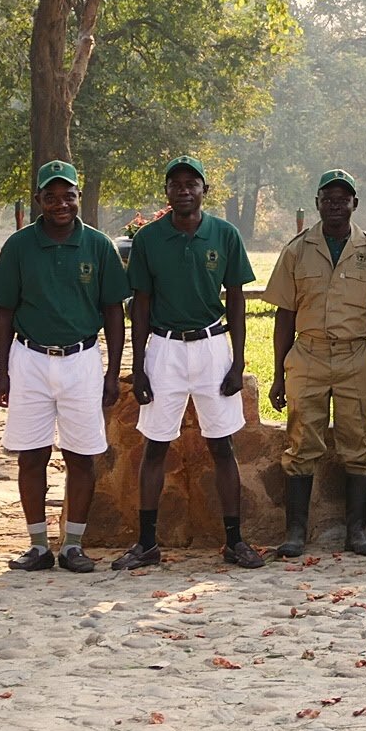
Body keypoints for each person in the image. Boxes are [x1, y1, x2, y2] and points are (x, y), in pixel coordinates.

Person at [112, 157, 261, 570]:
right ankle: (146, 543)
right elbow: (139, 305)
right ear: (167, 192)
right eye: (175, 184)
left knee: (222, 444)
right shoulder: (148, 239)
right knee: (155, 445)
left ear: (203, 190)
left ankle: (234, 541)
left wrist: (237, 361)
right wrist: (139, 365)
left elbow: (235, 298)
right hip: (165, 348)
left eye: (191, 183)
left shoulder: (224, 234)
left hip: (212, 345)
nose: (183, 189)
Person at [0, 159, 130, 573]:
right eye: (51, 196)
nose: (60, 203)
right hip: (30, 358)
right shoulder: (19, 246)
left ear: (78, 198)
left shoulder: (98, 245)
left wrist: (111, 371)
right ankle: (36, 545)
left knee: (81, 455)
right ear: (38, 200)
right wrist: (3, 371)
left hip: (81, 359)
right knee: (31, 455)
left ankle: (72, 545)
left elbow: (113, 311)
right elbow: (5, 311)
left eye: (68, 195)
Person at [262, 169, 366, 558]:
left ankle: (358, 531)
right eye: (328, 199)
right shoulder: (297, 250)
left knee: (359, 444)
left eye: (343, 199)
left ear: (355, 204)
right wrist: (279, 373)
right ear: (318, 203)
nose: (336, 205)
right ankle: (296, 532)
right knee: (301, 443)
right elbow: (284, 315)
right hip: (309, 354)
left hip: (355, 355)